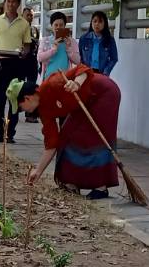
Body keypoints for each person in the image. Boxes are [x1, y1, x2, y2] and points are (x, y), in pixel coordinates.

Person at [16, 64, 121, 200]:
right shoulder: (44, 112)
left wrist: (76, 83)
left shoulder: (52, 84)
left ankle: (100, 187)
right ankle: (71, 183)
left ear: (27, 98)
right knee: (66, 136)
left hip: (104, 93)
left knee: (93, 138)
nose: (22, 111)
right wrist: (38, 171)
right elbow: (52, 142)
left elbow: (83, 69)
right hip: (83, 103)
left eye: (21, 108)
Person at [0, 0, 32, 142]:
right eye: (8, 1)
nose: (11, 4)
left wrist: (23, 53)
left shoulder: (24, 24)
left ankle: (10, 134)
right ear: (5, 2)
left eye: (14, 1)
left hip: (16, 64)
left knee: (14, 100)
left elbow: (27, 46)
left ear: (18, 4)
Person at [37, 11, 79, 80]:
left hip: (65, 79)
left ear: (65, 26)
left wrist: (69, 48)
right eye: (56, 25)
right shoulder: (45, 40)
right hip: (49, 78)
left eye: (61, 25)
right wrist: (53, 50)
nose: (58, 27)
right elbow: (39, 58)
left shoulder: (71, 41)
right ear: (51, 26)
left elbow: (77, 61)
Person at [78, 10, 119, 76]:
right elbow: (79, 57)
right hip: (86, 72)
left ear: (104, 24)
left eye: (100, 22)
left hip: (102, 73)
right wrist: (83, 70)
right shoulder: (83, 38)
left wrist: (106, 72)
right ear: (91, 23)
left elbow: (114, 58)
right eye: (95, 21)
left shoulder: (110, 40)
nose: (97, 24)